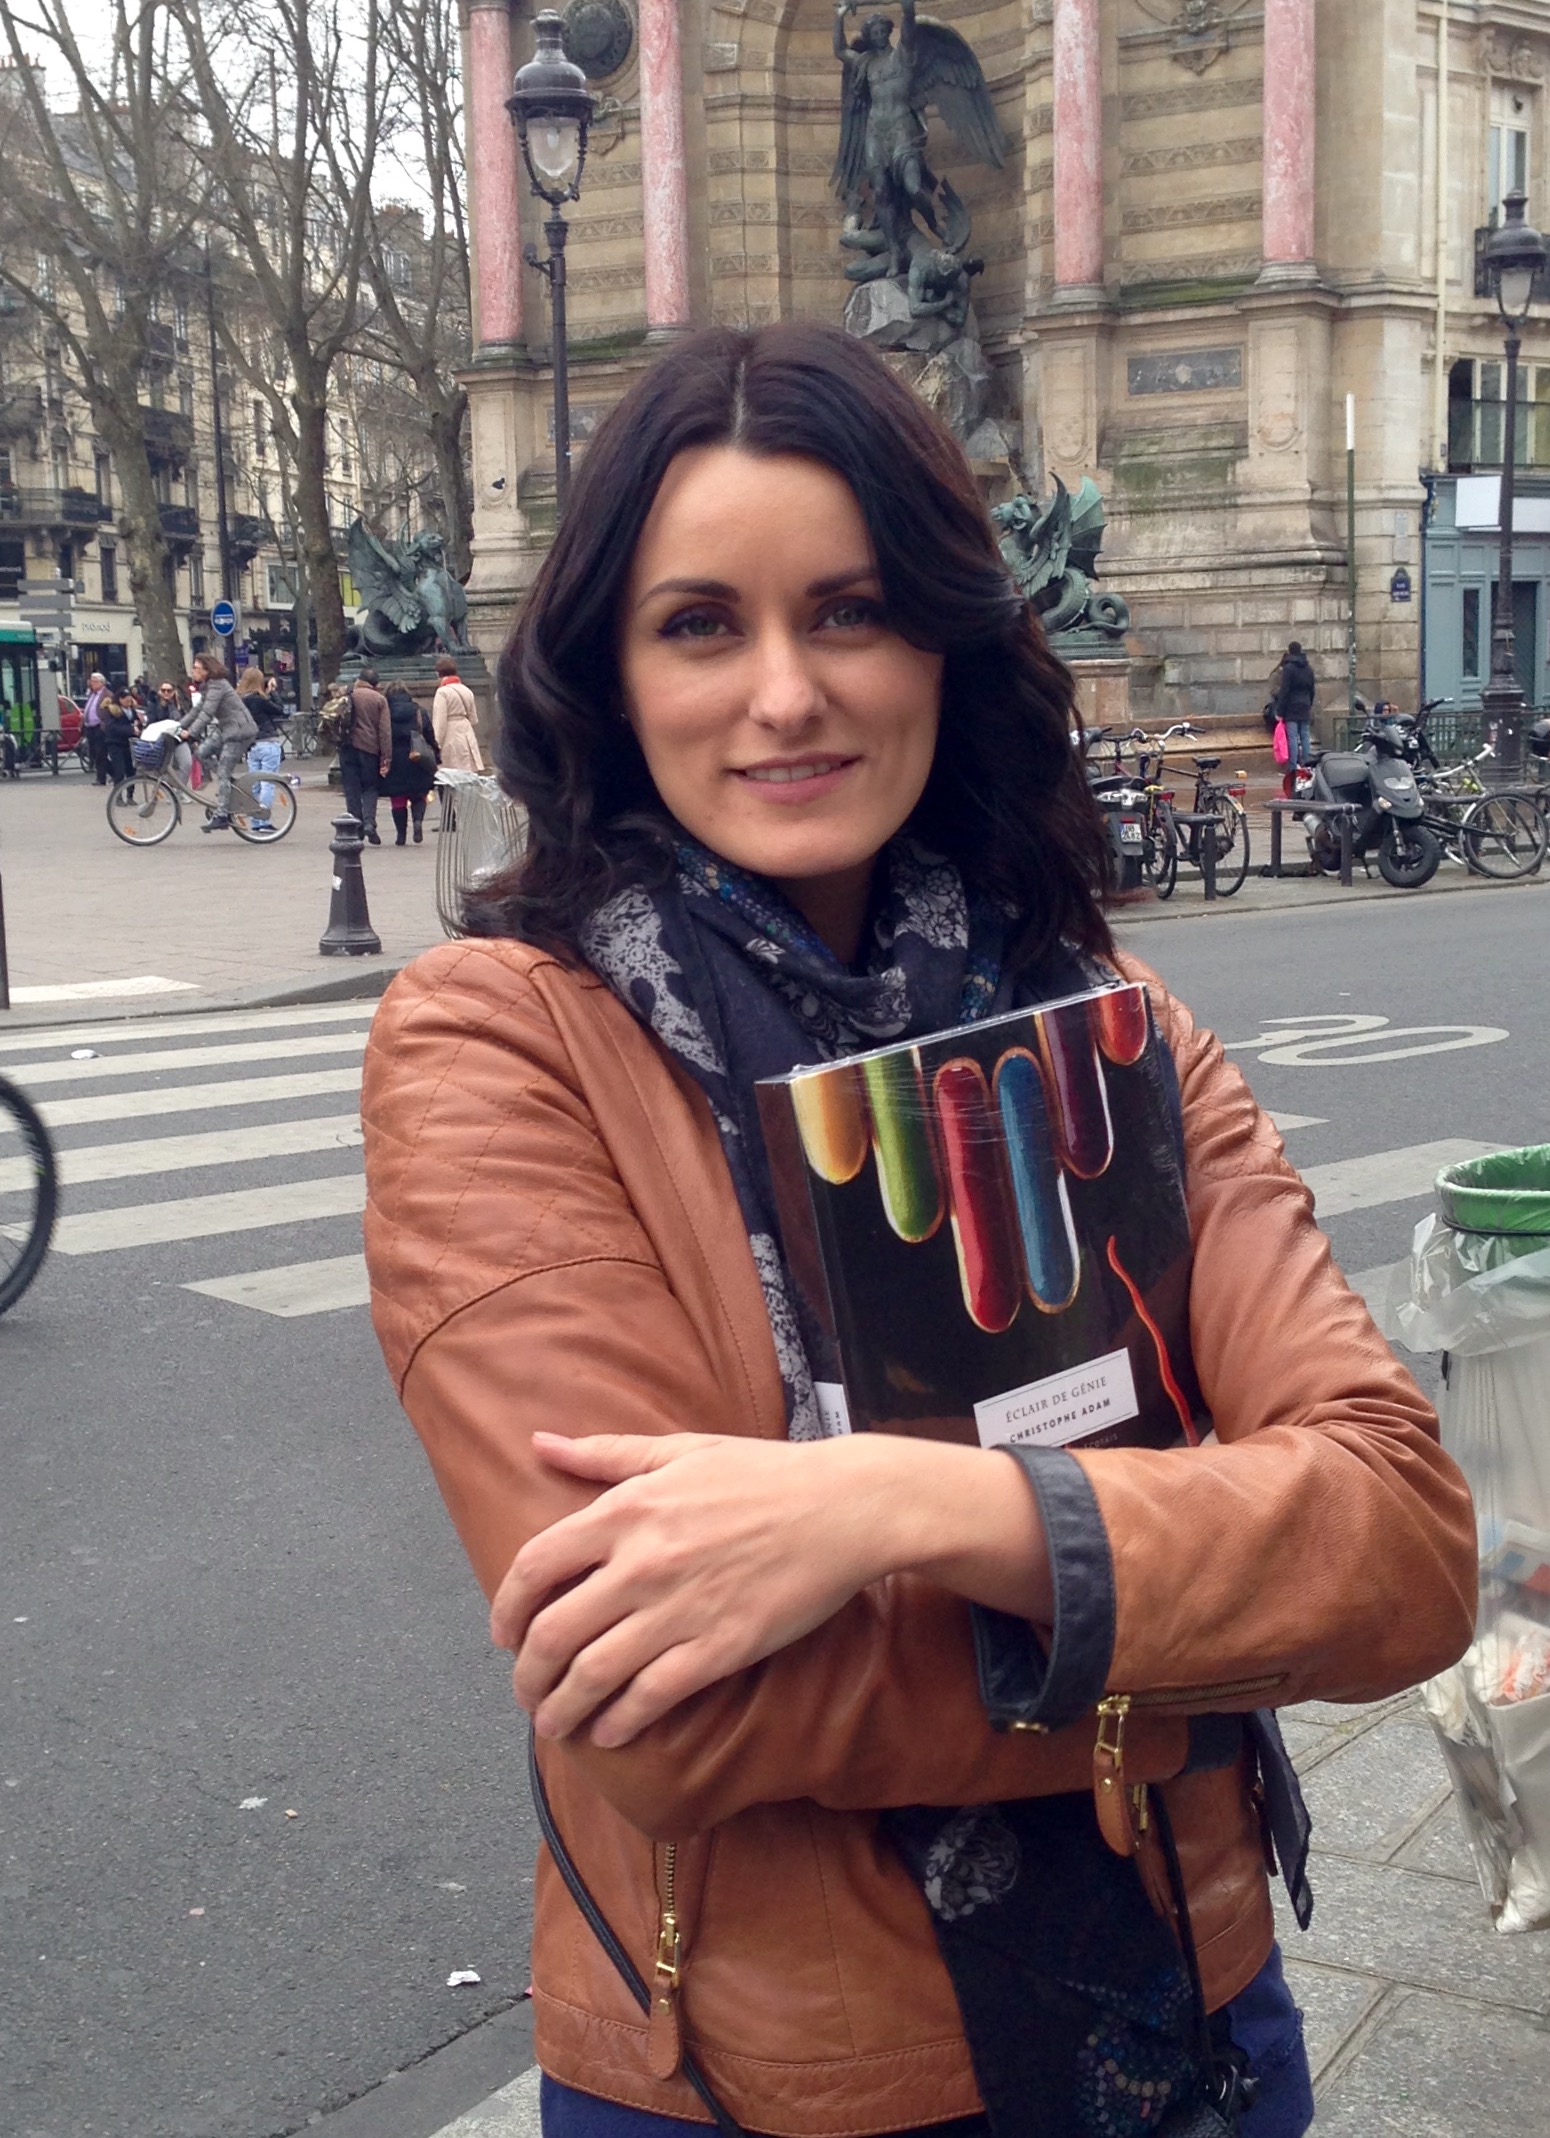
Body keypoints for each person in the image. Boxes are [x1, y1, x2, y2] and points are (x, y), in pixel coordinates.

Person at [360, 325, 1476, 2138]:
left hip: (1189, 2016)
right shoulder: (501, 1040)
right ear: (610, 675)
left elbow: (1403, 1541)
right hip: (767, 2080)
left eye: (853, 610)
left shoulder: (1105, 1016)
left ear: (945, 640)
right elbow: (664, 1707)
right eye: (700, 623)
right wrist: (1198, 1605)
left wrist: (894, 1507)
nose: (785, 692)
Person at [179, 653, 258, 831]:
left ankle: (222, 815)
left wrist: (190, 733)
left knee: (223, 770)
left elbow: (207, 713)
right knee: (201, 753)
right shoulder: (209, 687)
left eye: (196, 668)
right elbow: (197, 710)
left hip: (239, 731)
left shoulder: (217, 685)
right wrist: (176, 726)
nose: (193, 671)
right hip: (227, 729)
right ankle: (228, 785)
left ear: (207, 670)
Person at [380, 683, 439, 844]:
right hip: (417, 757)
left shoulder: (385, 712)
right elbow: (429, 734)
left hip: (395, 759)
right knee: (419, 794)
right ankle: (417, 822)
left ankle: (401, 835)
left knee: (397, 797)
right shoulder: (419, 711)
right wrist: (436, 753)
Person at [338, 665, 391, 845]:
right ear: (375, 684)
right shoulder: (379, 699)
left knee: (351, 788)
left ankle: (355, 826)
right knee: (370, 787)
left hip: (347, 747)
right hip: (369, 749)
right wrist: (386, 757)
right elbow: (385, 731)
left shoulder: (347, 695)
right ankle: (369, 822)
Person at [239, 663, 286, 834]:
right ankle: (263, 820)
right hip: (268, 741)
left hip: (252, 745)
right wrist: (272, 691)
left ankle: (255, 821)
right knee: (268, 783)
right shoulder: (259, 699)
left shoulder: (241, 700)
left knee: (255, 783)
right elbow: (279, 710)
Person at [1271, 641, 1317, 793]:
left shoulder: (1289, 668)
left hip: (1292, 706)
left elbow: (1285, 691)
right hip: (1305, 705)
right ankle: (1306, 764)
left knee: (1292, 737)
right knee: (1305, 736)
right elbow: (1312, 689)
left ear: (1290, 651)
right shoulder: (1308, 668)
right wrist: (1309, 704)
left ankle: (1292, 767)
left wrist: (1280, 711)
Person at [431, 655, 485, 773]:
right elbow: (474, 719)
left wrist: (436, 744)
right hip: (466, 732)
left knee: (452, 772)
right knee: (468, 770)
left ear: (439, 674)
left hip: (451, 734)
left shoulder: (442, 692)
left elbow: (440, 722)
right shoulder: (467, 690)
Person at [98, 688, 139, 787]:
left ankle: (130, 793)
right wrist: (130, 729)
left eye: (130, 700)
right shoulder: (113, 710)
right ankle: (118, 793)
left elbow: (136, 721)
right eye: (126, 700)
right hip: (115, 743)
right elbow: (112, 727)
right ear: (120, 699)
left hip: (129, 744)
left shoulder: (132, 711)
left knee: (131, 771)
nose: (128, 702)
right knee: (119, 770)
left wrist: (138, 725)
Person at [81, 670, 109, 784]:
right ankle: (113, 773)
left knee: (100, 753)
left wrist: (104, 723)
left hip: (99, 728)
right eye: (91, 681)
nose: (91, 683)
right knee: (92, 753)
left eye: (94, 681)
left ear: (101, 682)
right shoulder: (92, 694)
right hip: (90, 728)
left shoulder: (107, 694)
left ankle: (101, 778)